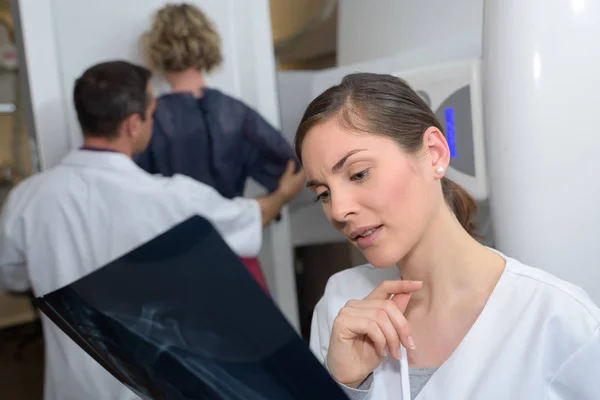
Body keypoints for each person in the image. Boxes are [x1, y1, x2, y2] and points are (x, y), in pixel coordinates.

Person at [0, 60, 304, 400]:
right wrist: (283, 193)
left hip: (72, 389)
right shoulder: (171, 199)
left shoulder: (26, 199)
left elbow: (12, 278)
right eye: (152, 112)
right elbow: (250, 217)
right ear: (133, 124)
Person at [295, 73, 600, 399]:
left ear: (435, 152)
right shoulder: (341, 303)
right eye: (323, 194)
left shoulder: (559, 321)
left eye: (359, 173)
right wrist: (343, 383)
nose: (338, 210)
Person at [135, 3, 299, 292]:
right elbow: (294, 170)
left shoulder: (148, 122)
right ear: (207, 45)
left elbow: (131, 196)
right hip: (233, 252)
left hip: (174, 262)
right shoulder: (235, 113)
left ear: (157, 50)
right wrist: (278, 197)